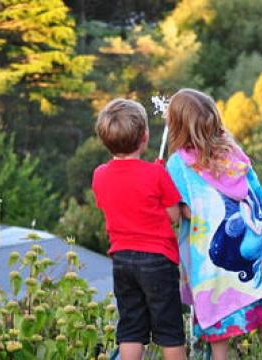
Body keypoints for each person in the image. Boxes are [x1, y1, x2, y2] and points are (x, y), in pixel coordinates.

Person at [166, 89, 262, 360]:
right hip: (257, 255)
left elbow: (180, 211)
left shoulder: (178, 164)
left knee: (218, 334)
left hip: (215, 267)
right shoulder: (233, 153)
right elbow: (257, 195)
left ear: (177, 125)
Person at [92, 98, 186, 360]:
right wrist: (160, 181)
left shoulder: (99, 174)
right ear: (145, 137)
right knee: (169, 330)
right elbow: (174, 216)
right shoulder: (156, 174)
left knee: (131, 327)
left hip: (122, 260)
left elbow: (110, 202)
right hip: (157, 260)